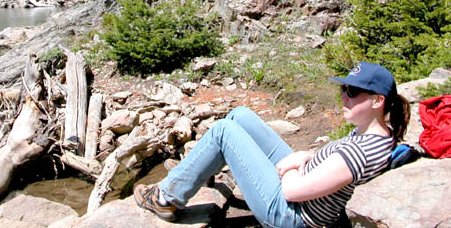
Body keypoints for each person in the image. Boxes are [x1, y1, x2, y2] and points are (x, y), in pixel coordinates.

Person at [134, 62, 410, 228]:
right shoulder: (376, 133)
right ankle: (199, 170)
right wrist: (305, 155)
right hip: (305, 180)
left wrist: (291, 164)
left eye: (352, 92)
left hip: (287, 213)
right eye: (343, 90)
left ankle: (164, 198)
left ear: (377, 101)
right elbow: (334, 164)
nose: (344, 98)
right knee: (240, 114)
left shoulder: (357, 153)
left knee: (223, 131)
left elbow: (291, 192)